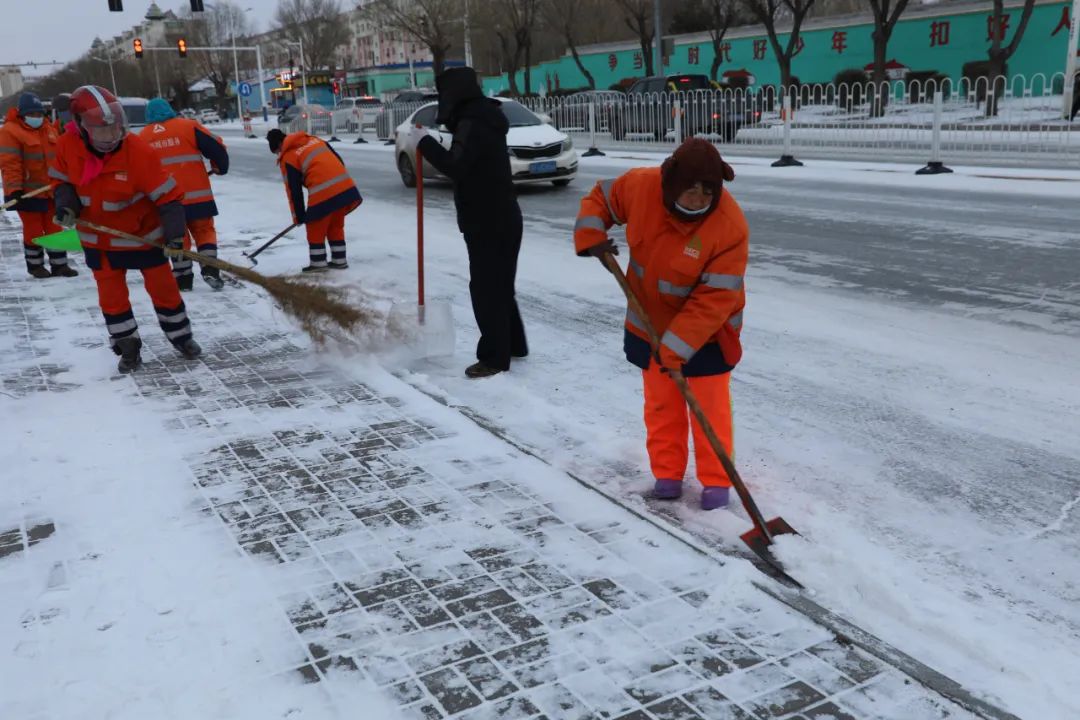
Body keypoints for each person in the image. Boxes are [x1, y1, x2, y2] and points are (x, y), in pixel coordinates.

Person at [573, 138, 747, 511]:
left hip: (709, 334)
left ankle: (716, 482)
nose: (700, 199)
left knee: (709, 411)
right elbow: (600, 198)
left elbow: (714, 300)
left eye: (708, 191)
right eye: (691, 189)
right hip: (648, 322)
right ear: (671, 184)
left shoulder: (729, 228)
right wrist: (592, 235)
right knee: (662, 406)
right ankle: (667, 475)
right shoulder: (641, 186)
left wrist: (676, 348)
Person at [49, 85, 201, 373]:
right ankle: (128, 347)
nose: (111, 137)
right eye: (102, 132)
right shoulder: (66, 146)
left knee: (165, 291)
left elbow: (169, 199)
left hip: (144, 238)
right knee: (112, 298)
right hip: (101, 242)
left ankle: (181, 337)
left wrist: (175, 235)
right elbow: (62, 182)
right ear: (81, 128)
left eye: (116, 129)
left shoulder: (138, 152)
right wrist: (67, 206)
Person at [409, 67, 527, 379]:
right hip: (505, 215)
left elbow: (456, 165)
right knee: (501, 285)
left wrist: (425, 143)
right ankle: (514, 345)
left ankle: (494, 358)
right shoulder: (484, 117)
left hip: (486, 219)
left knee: (486, 289)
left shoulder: (473, 121)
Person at [139, 97, 229, 291]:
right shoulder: (188, 127)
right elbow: (217, 149)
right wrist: (220, 167)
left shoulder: (142, 138)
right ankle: (210, 270)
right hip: (198, 196)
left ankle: (183, 279)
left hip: (166, 201)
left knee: (176, 237)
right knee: (204, 231)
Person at [0, 92, 78, 278]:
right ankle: (35, 266)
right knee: (34, 230)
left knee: (54, 228)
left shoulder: (49, 129)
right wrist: (14, 190)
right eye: (32, 114)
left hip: (51, 190)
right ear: (22, 114)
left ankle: (60, 265)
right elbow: (10, 163)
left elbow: (59, 158)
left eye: (39, 114)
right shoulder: (10, 132)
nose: (36, 118)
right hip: (27, 192)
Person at [265, 127, 361, 272]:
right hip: (345, 187)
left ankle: (318, 263)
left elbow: (293, 190)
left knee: (315, 226)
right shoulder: (314, 140)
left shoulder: (289, 156)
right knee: (335, 225)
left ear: (279, 145)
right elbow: (338, 159)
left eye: (277, 152)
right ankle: (339, 260)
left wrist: (299, 216)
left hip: (324, 191)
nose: (279, 154)